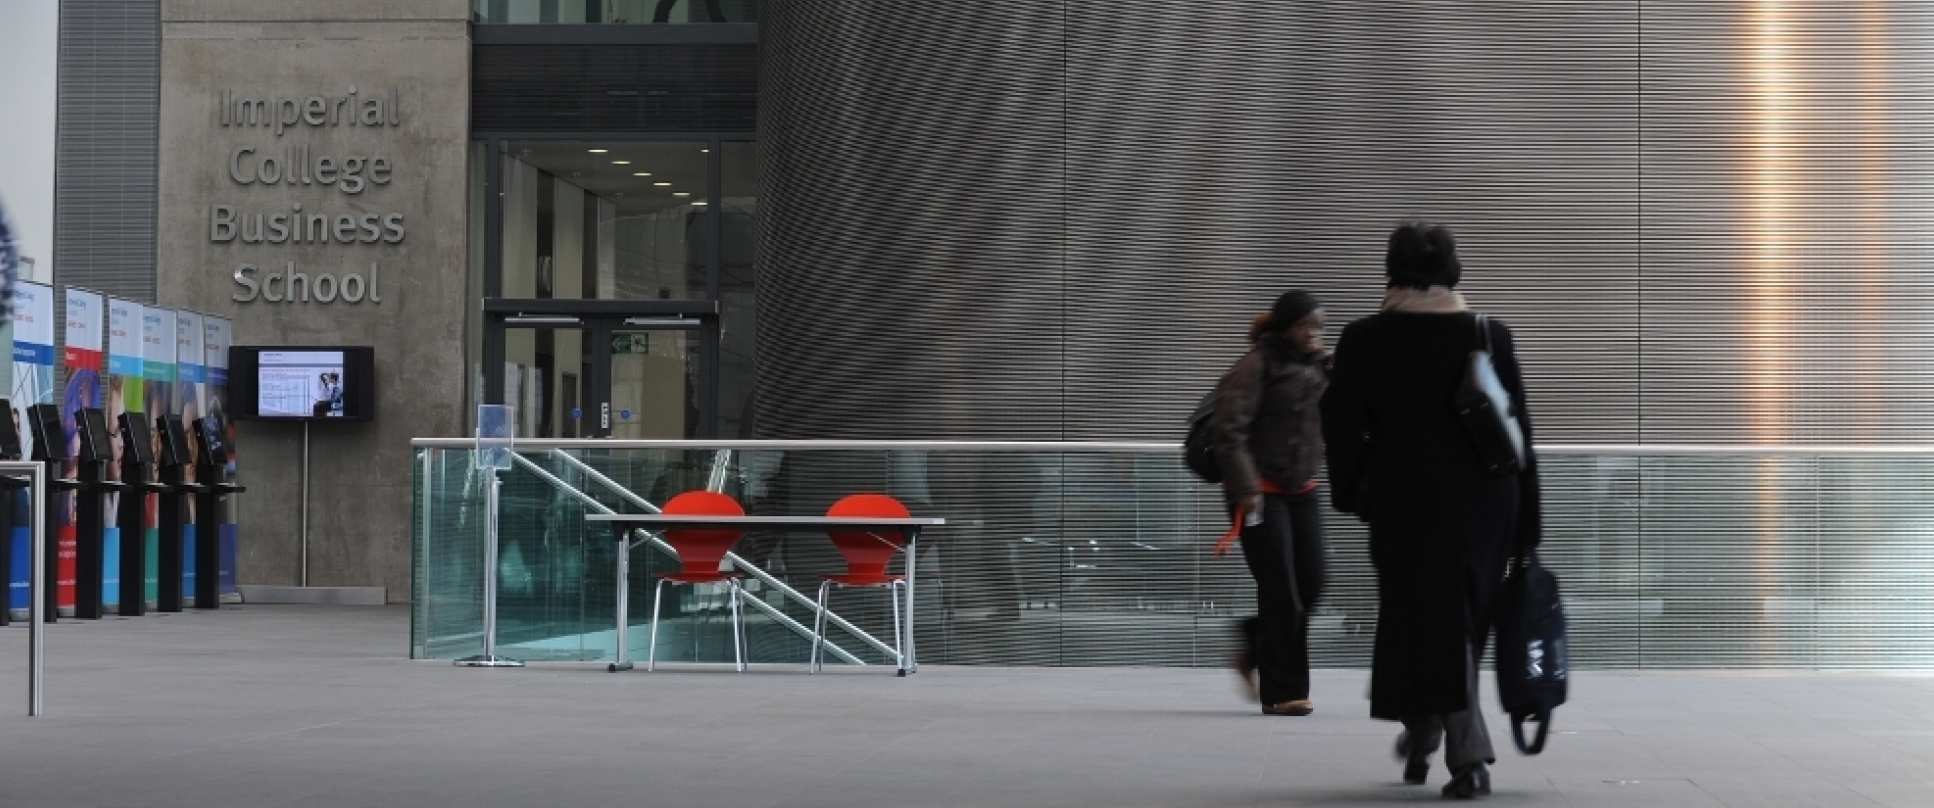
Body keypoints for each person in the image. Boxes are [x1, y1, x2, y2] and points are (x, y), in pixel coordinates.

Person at [1321, 222, 1541, 799]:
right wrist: (1529, 524)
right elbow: (1520, 434)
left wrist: (1355, 493)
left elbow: (1340, 427)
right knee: (1457, 625)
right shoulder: (1488, 335)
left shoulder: (1364, 338)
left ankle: (1464, 757)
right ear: (1454, 270)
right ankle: (1426, 739)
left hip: (1404, 503)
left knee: (1422, 619)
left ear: (1391, 271)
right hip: (1489, 506)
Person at [1213, 290, 1329, 717]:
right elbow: (1229, 431)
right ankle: (1284, 692)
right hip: (1257, 492)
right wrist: (1246, 489)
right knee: (1282, 591)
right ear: (1284, 328)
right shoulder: (1254, 366)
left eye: (1317, 326)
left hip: (1302, 489)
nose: (1313, 334)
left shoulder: (1318, 366)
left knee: (1312, 583)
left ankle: (1252, 640)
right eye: (1305, 326)